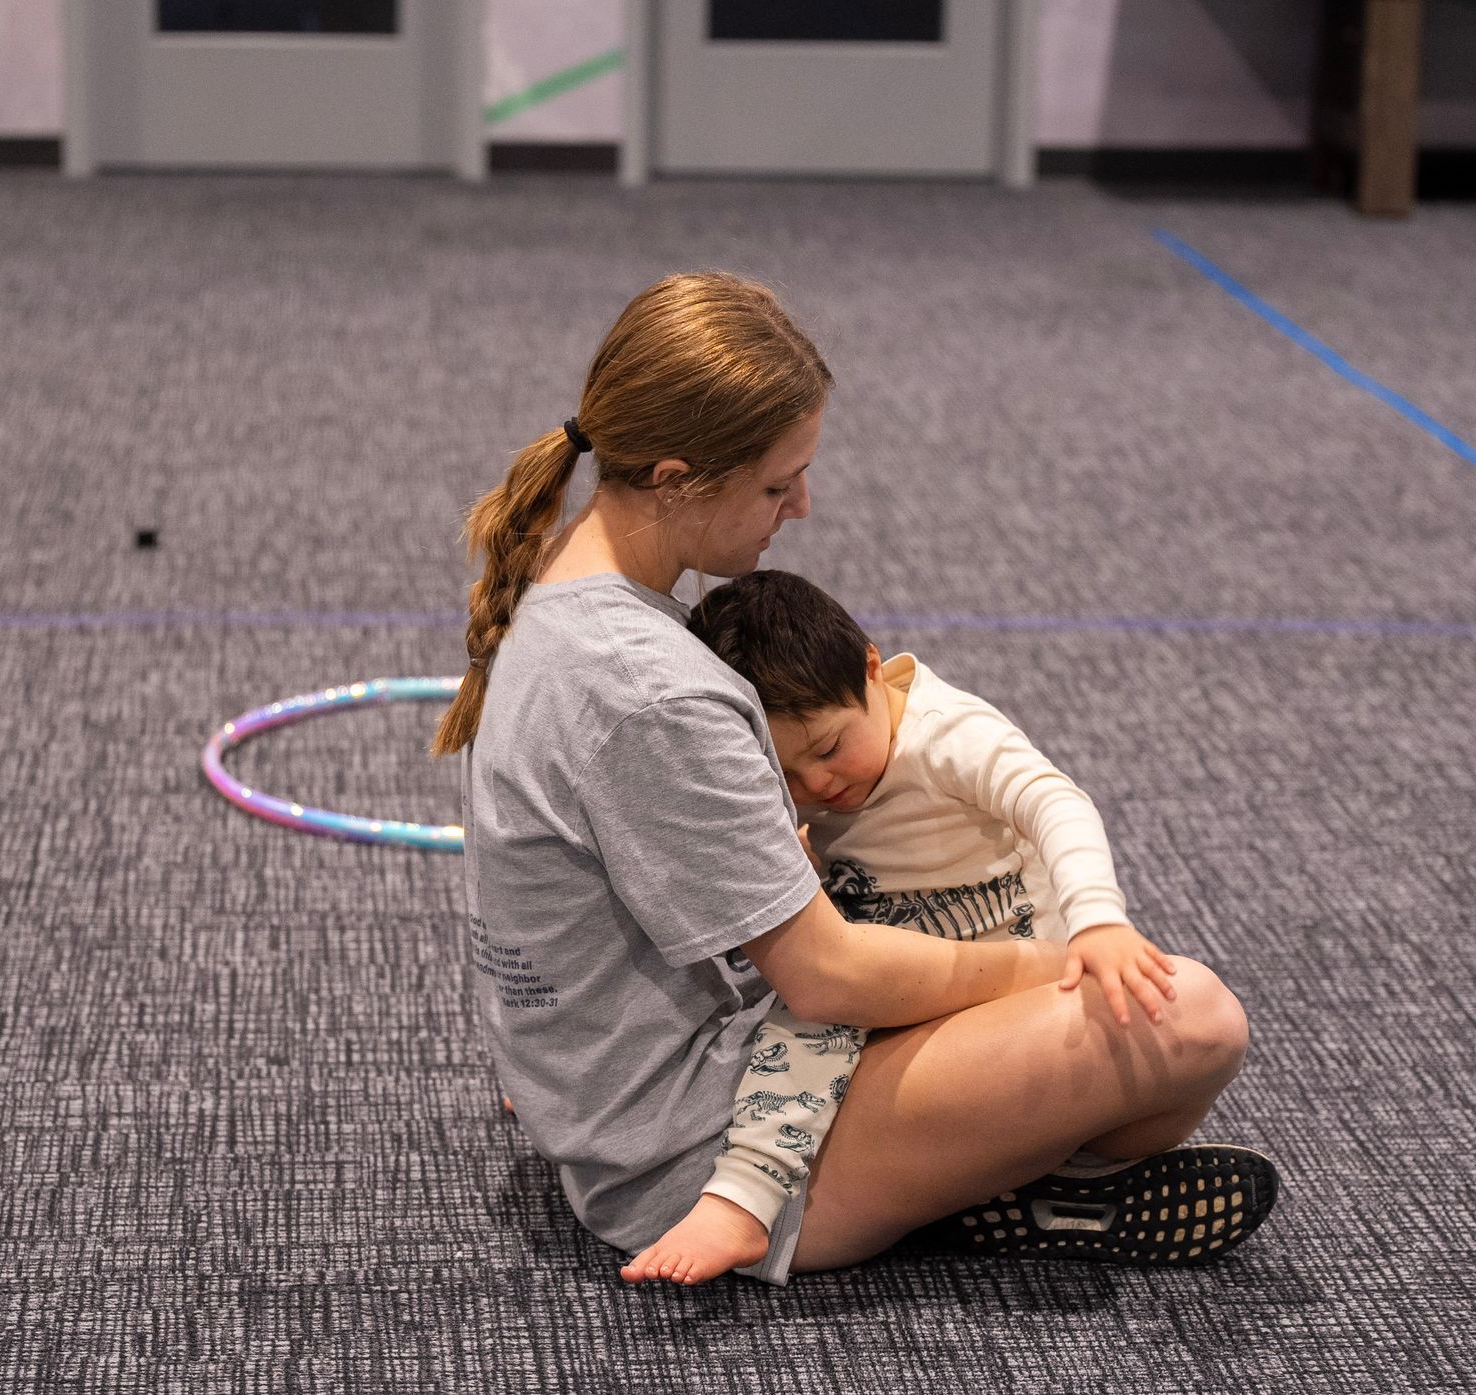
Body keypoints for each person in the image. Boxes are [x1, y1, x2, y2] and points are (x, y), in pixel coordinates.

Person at [433, 270, 1266, 1289]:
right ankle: (1008, 1186)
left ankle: (982, 1169)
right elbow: (827, 981)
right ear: (678, 477)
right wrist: (1045, 965)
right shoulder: (653, 690)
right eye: (777, 485)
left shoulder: (561, 590)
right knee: (1191, 1018)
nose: (802, 507)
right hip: (692, 1156)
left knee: (1057, 977)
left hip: (617, 1104)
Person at [620, 569, 1276, 1282]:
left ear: (872, 668)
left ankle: (1067, 1172)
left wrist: (1097, 920)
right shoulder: (822, 766)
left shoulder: (948, 734)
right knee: (805, 1033)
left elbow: (1055, 802)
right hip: (899, 972)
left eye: (830, 749)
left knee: (1152, 1026)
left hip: (1009, 972)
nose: (819, 785)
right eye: (788, 774)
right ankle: (742, 1198)